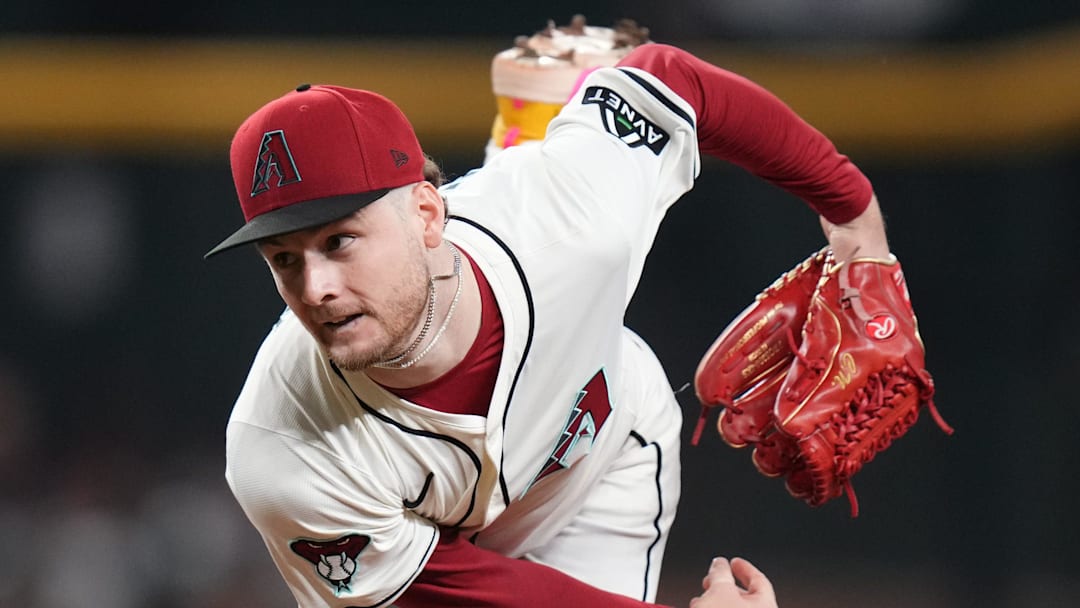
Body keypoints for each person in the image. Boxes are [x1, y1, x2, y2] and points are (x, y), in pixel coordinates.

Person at [205, 30, 889, 606]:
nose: (316, 286)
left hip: (599, 457)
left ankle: (533, 130)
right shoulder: (281, 445)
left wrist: (854, 213)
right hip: (430, 554)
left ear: (425, 212)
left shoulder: (566, 217)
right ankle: (529, 126)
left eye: (338, 241)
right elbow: (465, 593)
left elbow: (672, 79)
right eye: (283, 259)